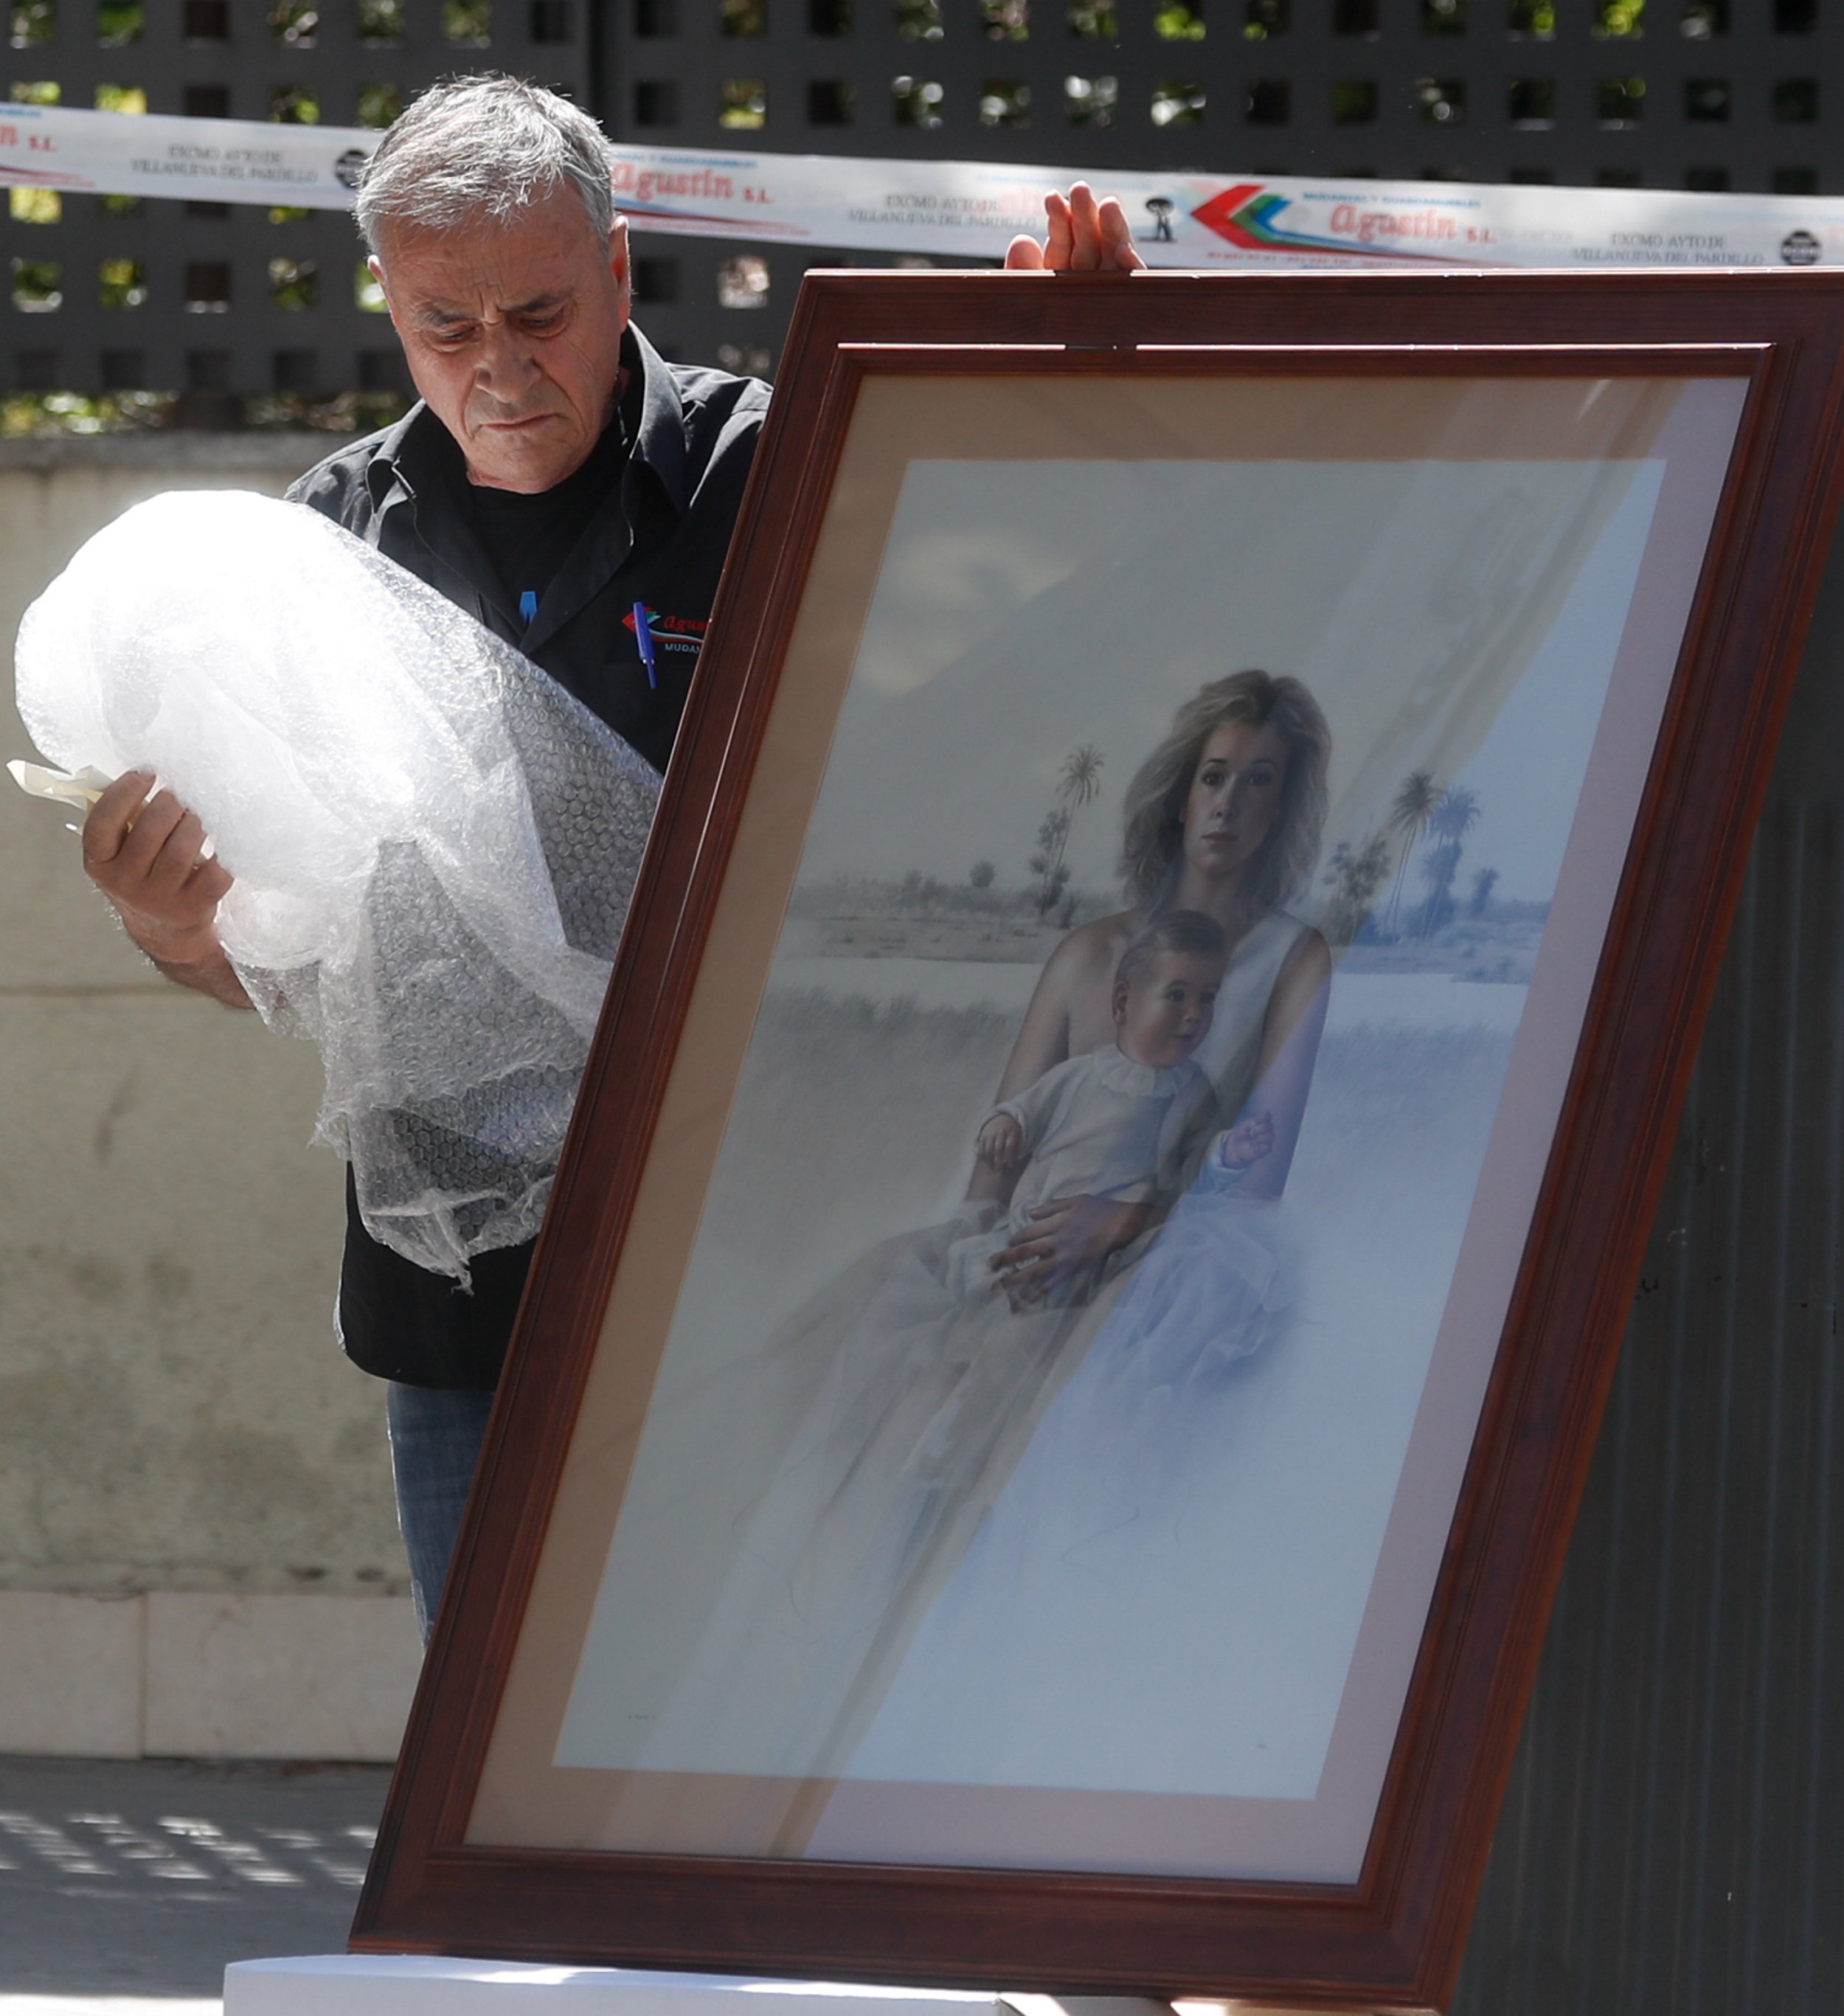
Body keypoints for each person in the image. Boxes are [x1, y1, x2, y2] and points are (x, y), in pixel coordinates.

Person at [70, 73, 1146, 1640]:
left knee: (755, 1726)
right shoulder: (326, 556)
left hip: (755, 1257)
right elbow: (296, 967)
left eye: (539, 313)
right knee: (490, 1792)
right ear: (387, 305)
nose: (499, 369)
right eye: (447, 328)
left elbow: (1032, 596)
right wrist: (167, 928)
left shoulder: (774, 470)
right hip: (466, 1324)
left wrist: (1067, 375)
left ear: (620, 267)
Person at [559, 673, 1335, 1800]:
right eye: (1216, 775)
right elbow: (1002, 1151)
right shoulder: (1094, 955)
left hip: (1171, 1262)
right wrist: (977, 1265)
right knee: (900, 1389)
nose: (1230, 805)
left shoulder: (1294, 962)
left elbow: (1263, 1171)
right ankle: (863, 1728)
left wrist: (1133, 1219)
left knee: (1064, 1462)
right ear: (1180, 792)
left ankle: (1044, 1753)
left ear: (1287, 804)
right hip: (1025, 1247)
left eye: (1261, 782)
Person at [948, 909, 1228, 1309]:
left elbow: (1202, 1169)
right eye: (1176, 995)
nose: (1195, 1013)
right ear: (1122, 1003)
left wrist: (1229, 1155)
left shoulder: (1195, 1091)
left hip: (1124, 1246)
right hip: (1043, 1229)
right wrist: (1005, 1122)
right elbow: (1026, 1111)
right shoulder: (1082, 1075)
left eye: (1208, 998)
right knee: (993, 1288)